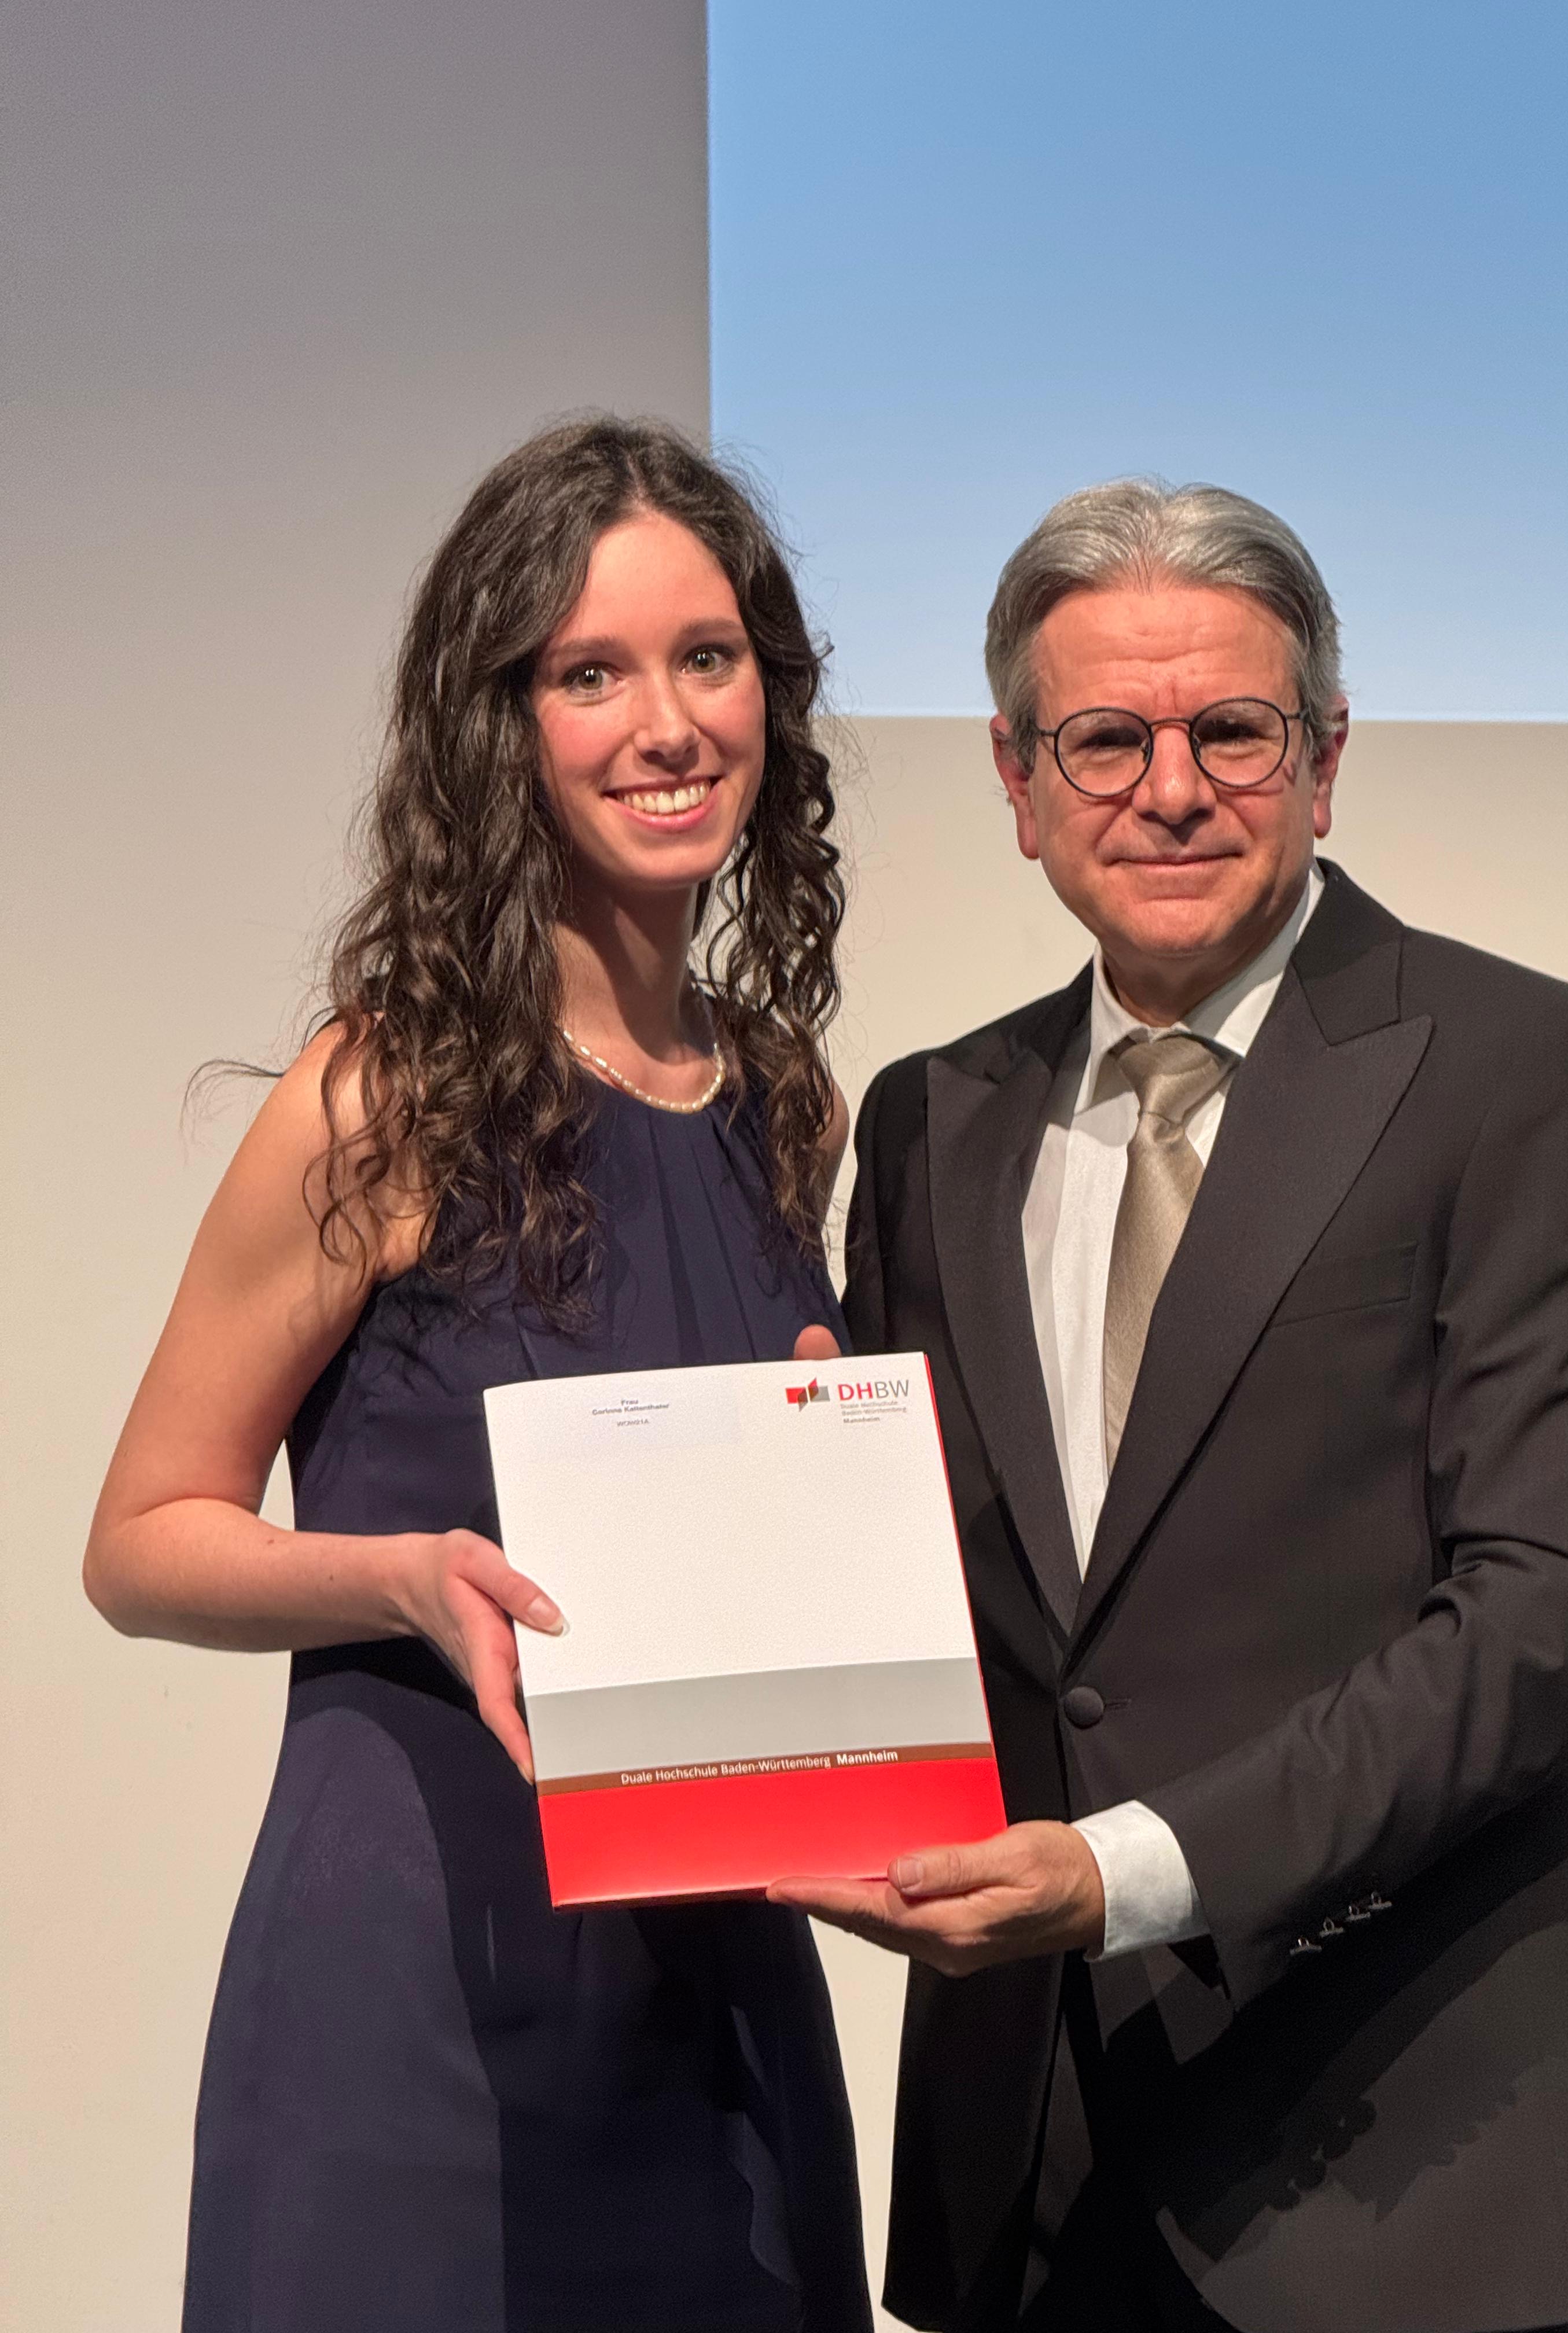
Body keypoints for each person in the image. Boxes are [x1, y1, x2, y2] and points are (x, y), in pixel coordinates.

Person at [771, 480, 1568, 2332]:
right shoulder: (931, 1118)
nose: (1171, 789)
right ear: (1020, 780)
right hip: (1024, 2186)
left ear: (1327, 760)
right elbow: (947, 1606)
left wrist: (1126, 1874)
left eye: (1233, 733)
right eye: (1106, 740)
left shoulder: (1533, 1071)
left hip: (1401, 2187)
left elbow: (1553, 1618)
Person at [84, 417, 873, 2333]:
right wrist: (400, 1580)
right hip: (423, 1978)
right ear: (499, 725)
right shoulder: (386, 1093)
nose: (667, 724)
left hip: (715, 2001)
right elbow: (142, 1538)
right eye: (590, 674)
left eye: (708, 657)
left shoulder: (785, 1098)